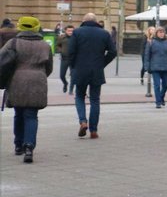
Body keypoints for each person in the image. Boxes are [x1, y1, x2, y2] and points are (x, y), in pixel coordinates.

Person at [0, 16, 53, 163]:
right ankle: (29, 146)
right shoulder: (45, 45)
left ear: (20, 26)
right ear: (36, 27)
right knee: (31, 115)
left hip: (17, 79)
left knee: (18, 113)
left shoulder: (13, 43)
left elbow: (2, 61)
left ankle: (18, 145)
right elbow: (49, 67)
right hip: (38, 80)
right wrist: (40, 74)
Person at [65, 12, 117, 138]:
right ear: (96, 21)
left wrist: (73, 67)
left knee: (79, 96)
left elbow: (70, 52)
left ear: (84, 20)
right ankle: (93, 130)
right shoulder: (104, 33)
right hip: (96, 70)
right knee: (95, 99)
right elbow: (113, 51)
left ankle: (83, 121)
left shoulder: (77, 32)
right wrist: (102, 63)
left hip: (80, 69)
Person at [143, 25, 167, 108]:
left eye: (163, 32)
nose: (161, 34)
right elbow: (147, 55)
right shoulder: (151, 42)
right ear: (156, 33)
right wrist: (146, 66)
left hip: (166, 67)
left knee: (165, 85)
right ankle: (158, 102)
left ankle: (161, 97)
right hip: (155, 67)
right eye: (160, 32)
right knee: (156, 85)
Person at [58, 24, 75, 93]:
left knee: (73, 75)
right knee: (62, 75)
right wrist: (60, 51)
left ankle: (71, 89)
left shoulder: (76, 37)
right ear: (65, 31)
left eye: (72, 31)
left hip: (73, 59)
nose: (70, 32)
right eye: (69, 31)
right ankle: (65, 83)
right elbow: (58, 45)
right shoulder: (61, 37)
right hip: (64, 58)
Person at [140, 26, 155, 97]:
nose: (153, 31)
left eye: (154, 30)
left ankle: (151, 80)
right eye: (151, 30)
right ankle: (141, 78)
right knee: (144, 67)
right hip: (145, 54)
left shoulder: (155, 37)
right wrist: (143, 55)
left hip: (152, 55)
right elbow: (143, 46)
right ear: (149, 30)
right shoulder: (145, 37)